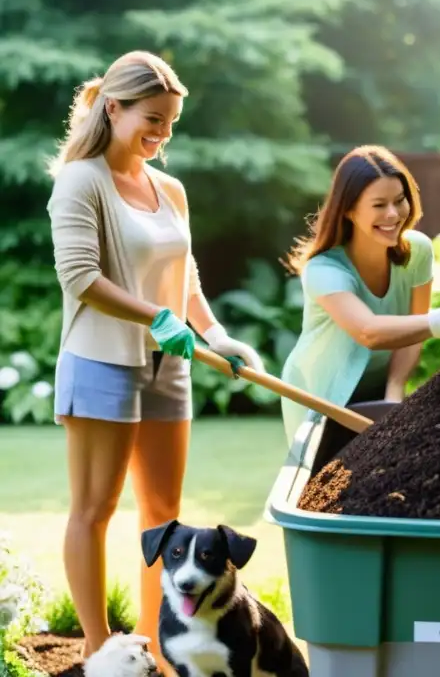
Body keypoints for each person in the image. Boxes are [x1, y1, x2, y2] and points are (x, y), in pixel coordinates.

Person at [46, 51, 264, 667]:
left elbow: (184, 274)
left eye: (170, 123)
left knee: (163, 517)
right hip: (101, 362)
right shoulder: (80, 180)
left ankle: (158, 649)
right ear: (112, 107)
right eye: (152, 118)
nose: (162, 135)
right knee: (94, 510)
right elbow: (79, 277)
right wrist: (156, 318)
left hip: (169, 367)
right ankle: (98, 651)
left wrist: (214, 332)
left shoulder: (168, 188)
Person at [280, 145, 440, 443]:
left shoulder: (418, 252)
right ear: (348, 209)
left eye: (400, 201)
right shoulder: (324, 270)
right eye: (379, 205)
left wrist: (394, 393)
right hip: (321, 395)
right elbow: (369, 331)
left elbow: (412, 333)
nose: (393, 214)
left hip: (377, 388)